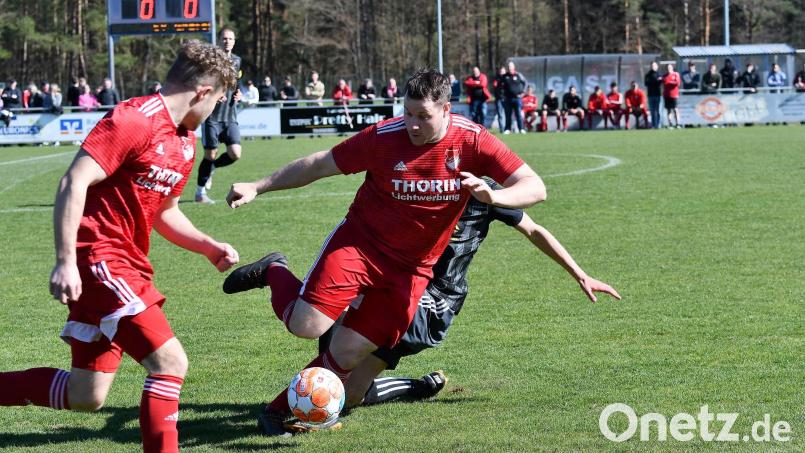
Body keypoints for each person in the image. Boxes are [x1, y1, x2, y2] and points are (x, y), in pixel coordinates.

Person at [223, 68, 545, 436]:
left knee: (347, 354)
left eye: (423, 116)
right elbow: (321, 163)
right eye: (408, 112)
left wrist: (495, 196)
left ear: (446, 109)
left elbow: (535, 187)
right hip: (360, 246)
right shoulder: (384, 137)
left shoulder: (472, 141)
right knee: (306, 325)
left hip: (411, 271)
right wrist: (257, 186)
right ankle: (274, 270)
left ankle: (277, 412)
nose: (413, 124)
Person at [0, 40, 239, 453]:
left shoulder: (185, 141)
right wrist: (64, 261)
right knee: (170, 364)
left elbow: (164, 212)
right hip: (100, 259)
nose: (215, 110)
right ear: (203, 92)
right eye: (217, 101)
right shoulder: (135, 119)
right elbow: (73, 181)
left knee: (85, 394)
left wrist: (207, 245)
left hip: (127, 263)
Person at [319, 181, 620, 409]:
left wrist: (580, 273)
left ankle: (413, 387)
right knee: (338, 383)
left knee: (346, 397)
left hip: (435, 300)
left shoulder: (484, 192)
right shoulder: (417, 185)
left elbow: (533, 230)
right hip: (396, 283)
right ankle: (321, 382)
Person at [195, 28, 242, 205]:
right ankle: (199, 193)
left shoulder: (237, 60)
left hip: (229, 115)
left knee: (235, 153)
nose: (227, 41)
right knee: (210, 153)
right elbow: (201, 83)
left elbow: (236, 82)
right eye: (224, 38)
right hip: (212, 116)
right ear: (219, 40)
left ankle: (212, 168)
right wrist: (213, 94)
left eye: (230, 38)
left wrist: (238, 94)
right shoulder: (211, 61)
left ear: (234, 41)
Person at [502, 62, 528, 134]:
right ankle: (507, 129)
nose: (509, 68)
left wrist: (523, 92)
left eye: (511, 67)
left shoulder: (518, 75)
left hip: (517, 98)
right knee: (508, 114)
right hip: (508, 98)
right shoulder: (504, 76)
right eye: (508, 67)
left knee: (518, 114)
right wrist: (502, 95)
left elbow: (525, 83)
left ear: (514, 67)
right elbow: (500, 86)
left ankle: (521, 129)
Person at [644, 62, 663, 129]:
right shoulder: (648, 75)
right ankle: (653, 125)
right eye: (652, 65)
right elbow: (646, 83)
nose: (653, 67)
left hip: (658, 95)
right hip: (650, 95)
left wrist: (655, 81)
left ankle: (658, 125)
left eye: (654, 65)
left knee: (658, 111)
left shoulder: (659, 74)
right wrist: (655, 81)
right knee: (652, 111)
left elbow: (660, 82)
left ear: (657, 66)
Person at [663, 64, 681, 129]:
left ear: (672, 68)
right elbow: (664, 82)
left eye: (670, 67)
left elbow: (677, 83)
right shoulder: (665, 76)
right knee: (668, 110)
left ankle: (677, 123)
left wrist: (670, 82)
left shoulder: (676, 74)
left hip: (674, 95)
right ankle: (670, 124)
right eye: (667, 67)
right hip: (667, 95)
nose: (669, 69)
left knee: (675, 109)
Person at [492, 66, 507, 132]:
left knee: (507, 114)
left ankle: (508, 129)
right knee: (500, 114)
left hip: (507, 98)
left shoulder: (507, 78)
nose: (502, 72)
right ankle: (502, 129)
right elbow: (494, 86)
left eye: (503, 71)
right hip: (499, 99)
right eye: (501, 71)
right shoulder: (496, 79)